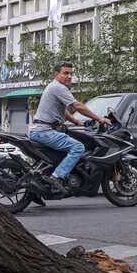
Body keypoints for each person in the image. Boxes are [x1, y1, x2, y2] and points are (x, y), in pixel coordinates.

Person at [28, 61, 111, 197]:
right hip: (45, 131)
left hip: (41, 130)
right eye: (66, 73)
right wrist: (99, 118)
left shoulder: (53, 87)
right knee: (78, 147)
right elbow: (77, 106)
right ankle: (57, 177)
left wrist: (77, 121)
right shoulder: (59, 87)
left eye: (71, 73)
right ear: (57, 74)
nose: (69, 76)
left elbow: (63, 110)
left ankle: (39, 190)